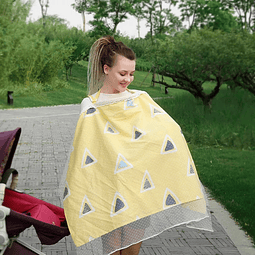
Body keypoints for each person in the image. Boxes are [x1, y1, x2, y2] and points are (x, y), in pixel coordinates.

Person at [61, 36, 213, 255]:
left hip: (138, 190)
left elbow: (167, 133)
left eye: (132, 74)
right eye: (122, 73)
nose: (128, 79)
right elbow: (87, 149)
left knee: (132, 251)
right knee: (112, 250)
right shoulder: (90, 106)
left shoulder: (141, 99)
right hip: (107, 190)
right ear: (106, 69)